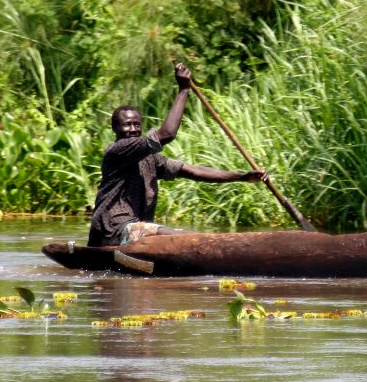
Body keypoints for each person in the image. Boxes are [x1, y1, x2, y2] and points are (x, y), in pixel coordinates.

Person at [86, 62, 267, 247]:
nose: (133, 129)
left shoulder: (151, 159)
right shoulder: (118, 150)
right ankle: (218, 247)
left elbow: (193, 171)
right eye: (127, 124)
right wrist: (183, 90)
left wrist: (242, 176)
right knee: (187, 239)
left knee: (176, 236)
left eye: (136, 124)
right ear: (115, 128)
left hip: (136, 232)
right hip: (112, 230)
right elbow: (167, 134)